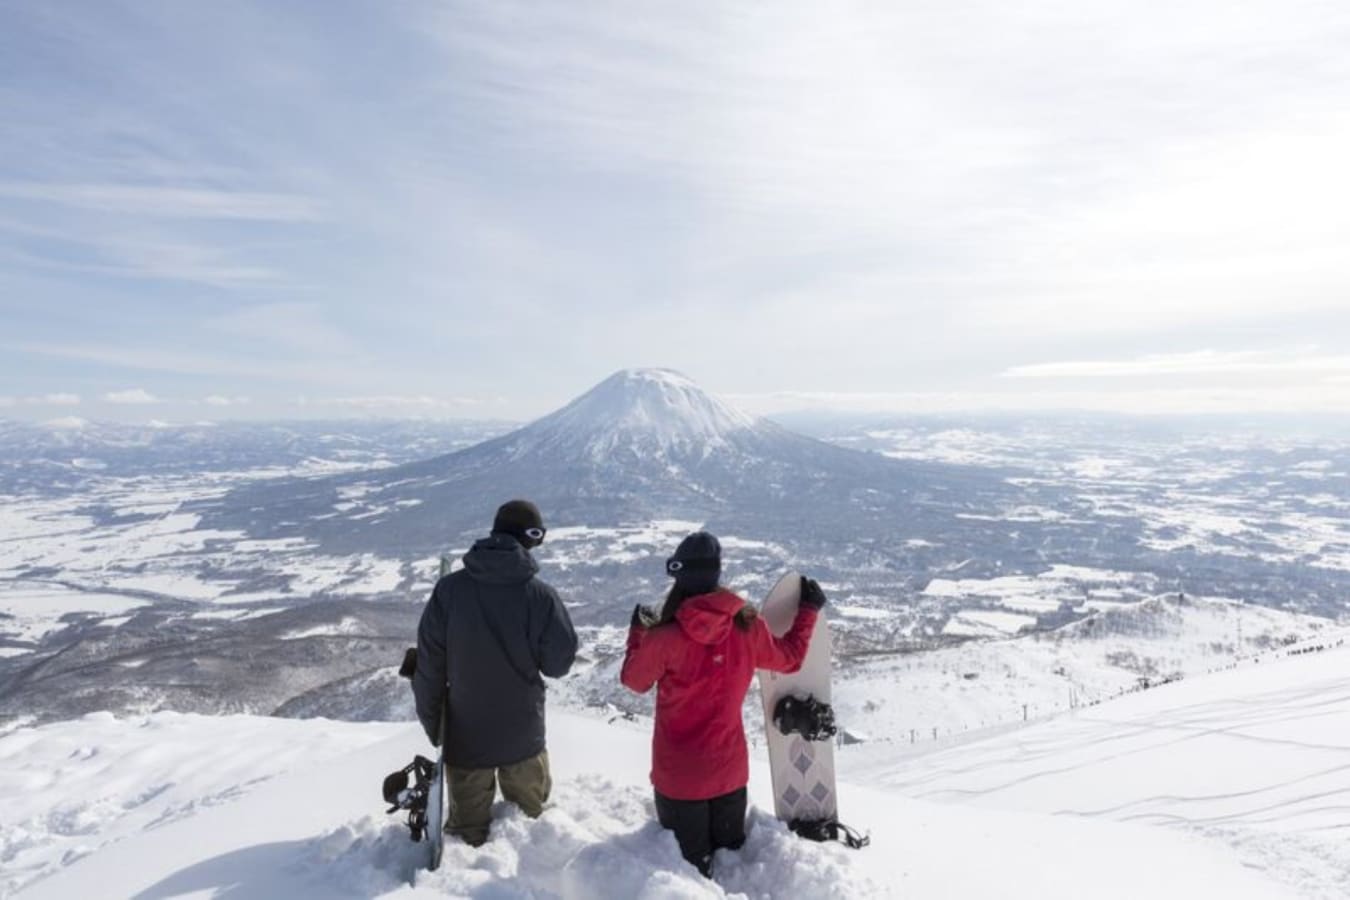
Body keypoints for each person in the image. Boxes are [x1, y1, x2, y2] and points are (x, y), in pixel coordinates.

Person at [620, 531, 826, 877]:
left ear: (680, 576)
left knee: (689, 877)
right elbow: (790, 659)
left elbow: (633, 681)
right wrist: (808, 612)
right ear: (717, 573)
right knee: (732, 867)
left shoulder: (663, 638)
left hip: (680, 780)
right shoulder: (747, 627)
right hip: (729, 774)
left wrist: (637, 633)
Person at [413, 499, 579, 846]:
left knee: (465, 838)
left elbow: (429, 667)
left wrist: (435, 725)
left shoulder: (449, 591)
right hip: (523, 734)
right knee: (530, 834)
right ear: (529, 539)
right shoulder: (541, 596)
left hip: (466, 736)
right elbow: (558, 665)